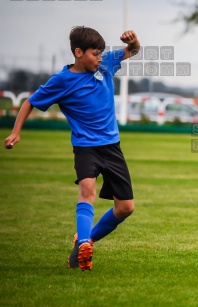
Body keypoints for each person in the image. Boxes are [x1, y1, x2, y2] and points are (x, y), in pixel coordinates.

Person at [4, 26, 141, 271]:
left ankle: (84, 242)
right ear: (78, 52)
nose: (99, 57)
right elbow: (30, 102)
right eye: (94, 53)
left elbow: (133, 51)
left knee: (125, 208)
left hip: (112, 148)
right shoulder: (62, 80)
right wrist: (16, 132)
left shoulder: (106, 64)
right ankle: (86, 241)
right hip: (85, 148)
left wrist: (134, 40)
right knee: (87, 188)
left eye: (101, 53)